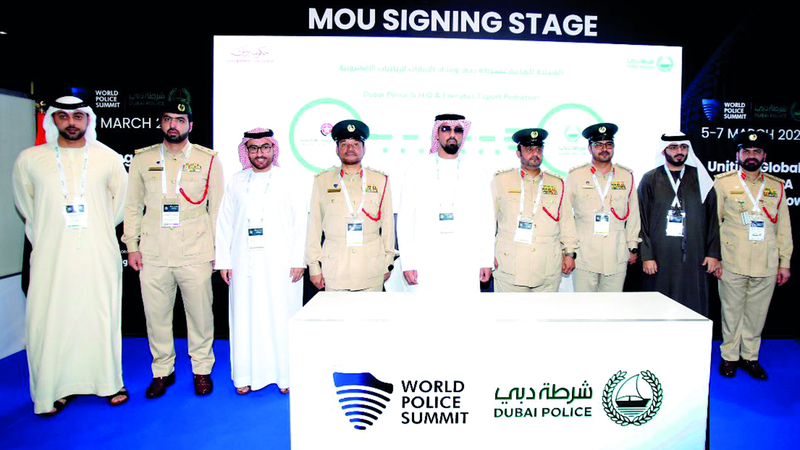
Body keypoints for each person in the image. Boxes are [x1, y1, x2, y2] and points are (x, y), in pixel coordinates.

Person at [12, 95, 129, 414]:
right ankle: (54, 388)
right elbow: (27, 206)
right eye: (63, 116)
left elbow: (120, 205)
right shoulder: (30, 160)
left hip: (97, 253)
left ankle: (107, 381)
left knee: (100, 315)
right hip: (52, 256)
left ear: (88, 119)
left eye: (78, 116)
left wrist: (95, 230)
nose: (71, 122)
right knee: (52, 318)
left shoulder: (108, 158)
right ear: (53, 119)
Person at [123, 98, 224, 397]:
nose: (173, 125)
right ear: (161, 123)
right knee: (156, 317)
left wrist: (219, 251)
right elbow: (132, 206)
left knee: (201, 316)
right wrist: (132, 245)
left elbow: (217, 210)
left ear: (190, 125)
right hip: (154, 251)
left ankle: (201, 369)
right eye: (168, 119)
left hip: (195, 250)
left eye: (180, 120)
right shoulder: (142, 159)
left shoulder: (208, 159)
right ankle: (162, 371)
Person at [215, 128, 307, 394]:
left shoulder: (289, 179)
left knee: (281, 315)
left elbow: (301, 222)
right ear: (246, 151)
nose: (259, 153)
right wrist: (224, 261)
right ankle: (245, 375)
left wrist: (298, 260)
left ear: (273, 149)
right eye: (253, 148)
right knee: (245, 317)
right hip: (243, 262)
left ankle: (284, 376)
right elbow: (224, 223)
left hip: (282, 264)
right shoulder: (236, 181)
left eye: (265, 147)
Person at [714, 131, 792, 380]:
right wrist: (715, 257)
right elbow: (714, 224)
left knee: (757, 313)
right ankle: (729, 356)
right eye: (746, 151)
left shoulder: (776, 186)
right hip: (732, 259)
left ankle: (750, 356)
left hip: (765, 260)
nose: (751, 155)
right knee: (731, 311)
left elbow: (784, 228)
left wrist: (785, 262)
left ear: (764, 155)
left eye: (756, 151)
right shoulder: (723, 183)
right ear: (738, 155)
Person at [397, 113, 494, 293]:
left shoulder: (476, 169)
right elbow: (405, 220)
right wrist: (408, 262)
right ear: (436, 133)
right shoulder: (417, 168)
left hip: (466, 259)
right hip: (426, 258)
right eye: (445, 129)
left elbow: (486, 219)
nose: (452, 134)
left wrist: (486, 260)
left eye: (458, 130)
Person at [306, 119, 395, 292]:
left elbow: (388, 225)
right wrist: (314, 266)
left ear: (364, 148)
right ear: (337, 149)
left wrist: (388, 261)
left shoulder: (380, 180)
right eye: (344, 144)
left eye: (355, 144)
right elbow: (314, 227)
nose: (350, 148)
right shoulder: (322, 181)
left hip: (371, 269)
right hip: (336, 270)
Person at [638, 133, 721, 316]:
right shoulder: (650, 179)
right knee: (657, 304)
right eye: (673, 147)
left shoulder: (701, 178)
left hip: (695, 255)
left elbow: (712, 218)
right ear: (664, 151)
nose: (679, 151)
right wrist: (647, 256)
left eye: (683, 147)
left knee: (692, 302)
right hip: (659, 256)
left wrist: (713, 253)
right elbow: (641, 220)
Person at [491, 128, 576, 292]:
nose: (535, 153)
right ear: (518, 153)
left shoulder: (557, 184)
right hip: (511, 265)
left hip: (546, 266)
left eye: (538, 149)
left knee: (545, 309)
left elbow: (566, 222)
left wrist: (570, 253)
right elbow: (489, 221)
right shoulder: (501, 181)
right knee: (510, 309)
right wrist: (486, 255)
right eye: (529, 149)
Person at [562, 123, 640, 292]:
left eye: (608, 144)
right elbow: (565, 216)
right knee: (584, 304)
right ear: (589, 148)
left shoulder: (626, 176)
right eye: (598, 145)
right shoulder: (576, 176)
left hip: (616, 253)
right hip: (585, 254)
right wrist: (569, 250)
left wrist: (632, 245)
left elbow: (634, 214)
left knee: (613, 304)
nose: (604, 149)